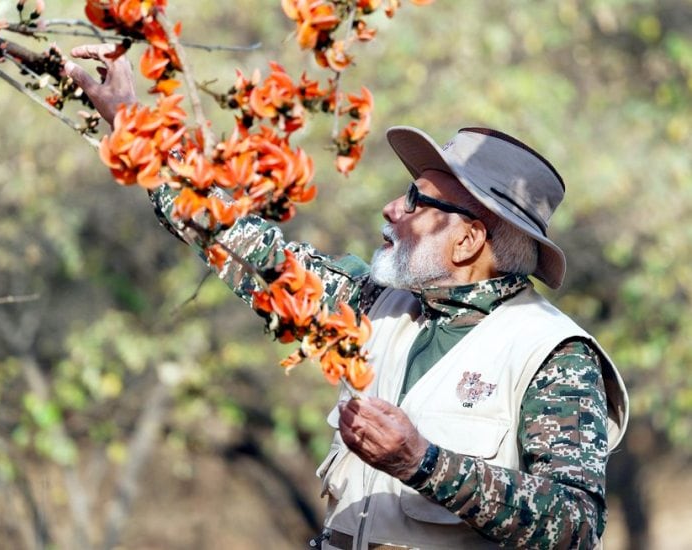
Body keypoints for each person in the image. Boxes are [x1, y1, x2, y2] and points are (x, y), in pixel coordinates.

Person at [65, 45, 629, 549]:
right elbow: (245, 247)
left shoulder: (550, 353)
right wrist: (135, 130)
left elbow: (574, 523)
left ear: (468, 239)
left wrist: (425, 464)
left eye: (416, 200)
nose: (391, 208)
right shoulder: (372, 305)